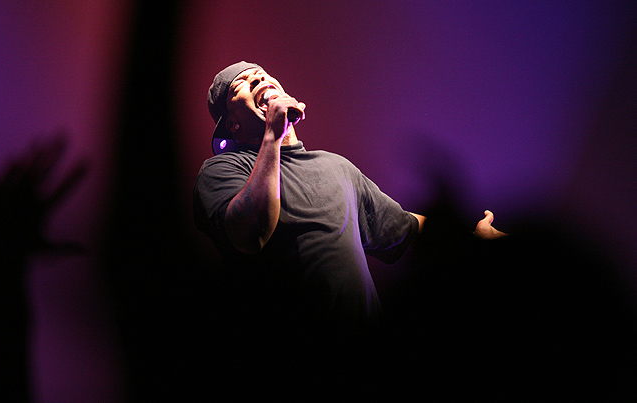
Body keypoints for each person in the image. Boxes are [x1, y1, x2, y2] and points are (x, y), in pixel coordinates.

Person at [193, 61, 504, 341]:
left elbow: (403, 227)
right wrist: (272, 135)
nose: (258, 78)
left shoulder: (335, 166)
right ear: (232, 125)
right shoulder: (223, 169)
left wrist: (472, 237)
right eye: (241, 84)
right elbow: (249, 233)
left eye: (262, 74)